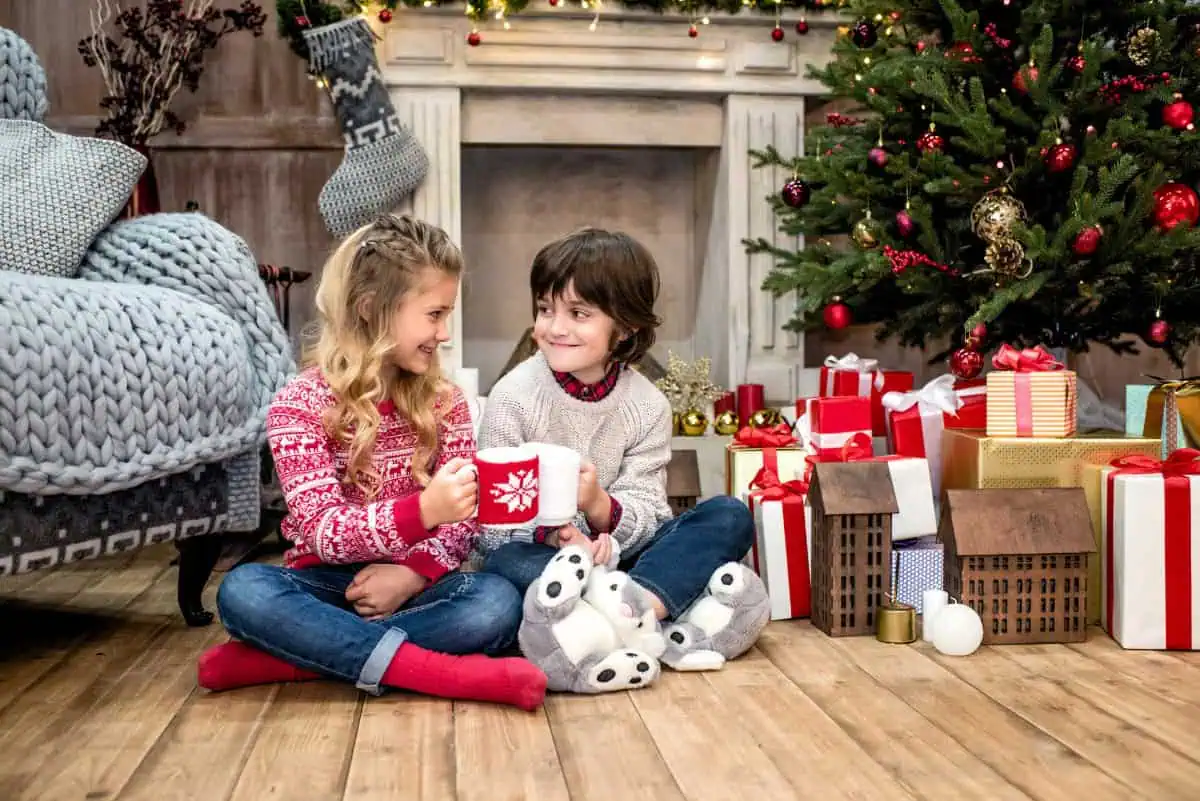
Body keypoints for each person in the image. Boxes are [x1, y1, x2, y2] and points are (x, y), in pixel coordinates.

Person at [196, 214, 546, 711]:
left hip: (416, 583)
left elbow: (464, 524)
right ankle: (438, 672)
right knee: (244, 590)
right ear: (371, 310)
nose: (444, 333)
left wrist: (412, 575)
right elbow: (320, 529)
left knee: (494, 603)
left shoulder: (447, 401)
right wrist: (421, 512)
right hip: (322, 582)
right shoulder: (298, 404)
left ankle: (295, 657)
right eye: (433, 314)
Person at [477, 226, 755, 637]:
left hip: (622, 563)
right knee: (503, 567)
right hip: (544, 559)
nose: (555, 328)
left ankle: (628, 613)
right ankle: (632, 617)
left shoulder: (647, 406)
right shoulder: (513, 397)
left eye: (578, 314)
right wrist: (563, 542)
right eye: (545, 309)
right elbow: (494, 530)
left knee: (729, 516)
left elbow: (650, 511)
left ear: (624, 327)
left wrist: (599, 506)